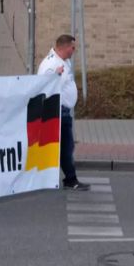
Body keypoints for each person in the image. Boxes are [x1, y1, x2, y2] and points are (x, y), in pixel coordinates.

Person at [38, 35, 91, 191]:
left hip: (64, 111)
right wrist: (56, 76)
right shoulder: (50, 65)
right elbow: (44, 88)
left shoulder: (63, 61)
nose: (74, 51)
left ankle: (67, 178)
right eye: (72, 48)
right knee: (66, 148)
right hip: (57, 111)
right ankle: (70, 179)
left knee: (64, 147)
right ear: (64, 47)